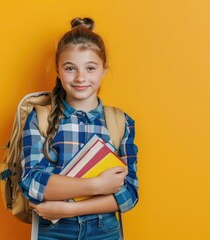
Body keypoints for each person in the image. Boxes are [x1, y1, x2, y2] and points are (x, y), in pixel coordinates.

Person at [19, 17, 139, 240]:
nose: (80, 77)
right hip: (52, 230)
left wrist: (69, 209)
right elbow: (33, 184)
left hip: (105, 230)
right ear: (57, 69)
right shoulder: (40, 118)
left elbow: (129, 194)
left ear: (104, 69)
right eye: (70, 68)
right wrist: (98, 185)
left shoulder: (121, 122)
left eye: (90, 68)